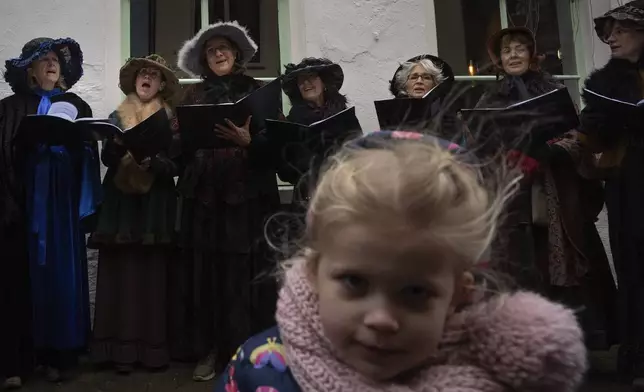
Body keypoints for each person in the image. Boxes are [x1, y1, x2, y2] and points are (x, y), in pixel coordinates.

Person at [212, 130, 587, 391]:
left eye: (414, 291)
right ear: (314, 272)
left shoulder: (501, 376)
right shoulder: (260, 366)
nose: (381, 319)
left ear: (459, 292)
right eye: (355, 282)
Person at [475, 27, 616, 350]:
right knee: (517, 262)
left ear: (531, 54)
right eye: (507, 50)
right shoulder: (490, 98)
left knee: (557, 263)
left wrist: (553, 149)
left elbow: (577, 134)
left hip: (555, 190)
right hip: (512, 193)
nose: (513, 55)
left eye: (519, 49)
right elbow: (480, 141)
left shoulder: (552, 90)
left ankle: (567, 342)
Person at [171, 21, 280, 381]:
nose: (218, 53)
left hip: (247, 200)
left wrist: (252, 143)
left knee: (243, 276)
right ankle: (209, 349)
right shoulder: (193, 97)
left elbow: (280, 149)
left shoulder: (259, 93)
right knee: (206, 275)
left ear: (236, 54)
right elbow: (179, 150)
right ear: (204, 59)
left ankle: (246, 351)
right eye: (211, 50)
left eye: (224, 48)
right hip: (204, 199)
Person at [2, 37, 100, 384]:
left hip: (62, 205)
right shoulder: (10, 107)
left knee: (62, 278)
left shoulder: (75, 104)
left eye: (55, 58)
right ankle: (18, 362)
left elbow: (87, 154)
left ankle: (60, 355)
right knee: (19, 280)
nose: (51, 62)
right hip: (24, 203)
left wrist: (80, 146)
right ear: (29, 68)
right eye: (42, 58)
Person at [89, 54, 180, 374]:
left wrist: (154, 162)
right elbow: (108, 156)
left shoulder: (170, 118)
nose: (147, 77)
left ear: (162, 84)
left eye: (154, 75)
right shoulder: (118, 113)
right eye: (143, 73)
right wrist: (115, 147)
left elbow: (176, 162)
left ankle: (150, 351)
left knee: (150, 273)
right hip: (121, 203)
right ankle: (117, 350)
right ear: (135, 80)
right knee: (119, 270)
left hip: (154, 202)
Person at [579, 0, 644, 385]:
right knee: (634, 269)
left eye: (620, 30)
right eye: (608, 32)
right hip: (630, 184)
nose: (610, 38)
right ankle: (637, 360)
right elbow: (593, 134)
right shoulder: (604, 83)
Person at [277, 57, 355, 211]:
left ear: (324, 82)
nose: (306, 83)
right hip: (307, 198)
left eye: (312, 77)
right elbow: (285, 173)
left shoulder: (343, 116)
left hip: (341, 195)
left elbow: (356, 154)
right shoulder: (293, 120)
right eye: (301, 80)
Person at [388, 55, 464, 143]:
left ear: (435, 85)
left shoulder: (447, 113)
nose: (419, 81)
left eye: (426, 77)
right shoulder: (394, 111)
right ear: (404, 85)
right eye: (413, 77)